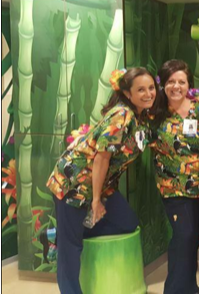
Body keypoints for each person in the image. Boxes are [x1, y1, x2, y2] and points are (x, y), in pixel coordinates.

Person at [46, 67, 157, 294]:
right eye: (141, 90)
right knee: (72, 249)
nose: (148, 94)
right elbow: (101, 158)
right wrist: (96, 200)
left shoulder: (140, 116)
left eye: (151, 88)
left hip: (101, 183)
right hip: (74, 183)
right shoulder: (121, 116)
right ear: (128, 94)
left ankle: (58, 235)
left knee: (127, 222)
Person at [149, 60, 199, 294]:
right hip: (172, 187)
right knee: (183, 235)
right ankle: (174, 290)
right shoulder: (154, 112)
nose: (176, 86)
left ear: (189, 85)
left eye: (181, 81)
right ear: (162, 84)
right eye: (171, 81)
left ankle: (189, 287)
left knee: (193, 238)